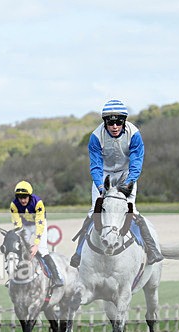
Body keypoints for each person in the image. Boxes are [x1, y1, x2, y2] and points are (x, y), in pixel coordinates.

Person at [70, 99, 164, 267]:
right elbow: (96, 165)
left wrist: (128, 183)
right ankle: (78, 253)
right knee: (94, 211)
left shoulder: (134, 134)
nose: (115, 126)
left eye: (119, 122)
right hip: (104, 174)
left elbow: (136, 162)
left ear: (124, 121)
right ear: (105, 122)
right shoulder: (95, 137)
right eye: (110, 122)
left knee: (131, 210)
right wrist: (100, 187)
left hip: (126, 173)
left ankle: (151, 250)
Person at [10, 180, 64, 287]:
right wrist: (22, 241)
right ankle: (14, 277)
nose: (22, 200)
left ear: (29, 195)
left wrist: (36, 244)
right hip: (25, 225)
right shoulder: (14, 205)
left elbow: (40, 225)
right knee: (19, 248)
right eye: (20, 197)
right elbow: (18, 226)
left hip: (39, 225)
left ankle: (57, 277)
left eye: (25, 197)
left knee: (42, 250)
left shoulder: (38, 203)